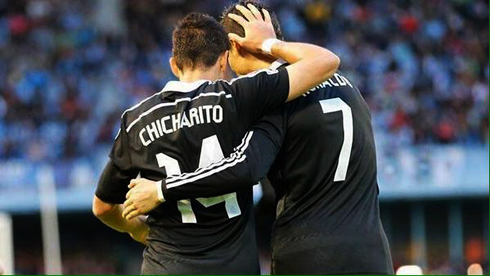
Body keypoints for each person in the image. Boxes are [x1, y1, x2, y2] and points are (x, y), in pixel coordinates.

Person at [124, 1, 394, 274]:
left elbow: (245, 167)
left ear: (235, 46)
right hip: (372, 251)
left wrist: (161, 190)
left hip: (308, 253)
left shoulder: (270, 99)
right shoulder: (346, 85)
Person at [93, 8, 340, 275]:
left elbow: (103, 207)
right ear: (224, 61)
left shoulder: (135, 121)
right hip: (233, 266)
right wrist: (268, 44)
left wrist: (135, 227)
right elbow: (324, 62)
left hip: (164, 265)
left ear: (174, 65)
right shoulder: (238, 97)